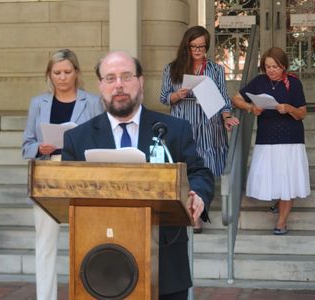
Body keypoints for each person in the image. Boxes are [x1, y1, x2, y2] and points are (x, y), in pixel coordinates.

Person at [62, 51, 214, 300]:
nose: (118, 84)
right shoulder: (78, 138)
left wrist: (198, 195)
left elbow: (199, 172)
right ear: (100, 85)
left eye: (126, 76)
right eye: (110, 78)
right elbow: (67, 192)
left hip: (165, 266)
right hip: (101, 267)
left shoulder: (173, 130)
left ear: (141, 81)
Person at [22, 49, 103, 300]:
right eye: (57, 72)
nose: (63, 77)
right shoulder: (38, 103)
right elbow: (26, 145)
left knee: (86, 239)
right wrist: (39, 147)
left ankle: (88, 293)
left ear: (77, 73)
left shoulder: (92, 102)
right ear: (49, 74)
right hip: (47, 172)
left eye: (68, 72)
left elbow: (101, 139)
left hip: (80, 173)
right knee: (45, 241)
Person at [159, 25, 239, 233]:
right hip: (183, 124)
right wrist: (177, 95)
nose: (197, 51)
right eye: (194, 46)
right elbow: (163, 97)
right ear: (186, 46)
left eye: (202, 47)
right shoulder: (172, 68)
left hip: (208, 125)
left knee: (206, 169)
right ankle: (190, 210)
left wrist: (227, 117)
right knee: (185, 169)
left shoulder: (215, 70)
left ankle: (198, 214)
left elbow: (223, 99)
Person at [232, 47, 310, 235]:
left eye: (275, 66)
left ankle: (281, 222)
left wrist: (289, 108)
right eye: (267, 66)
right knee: (275, 176)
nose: (271, 70)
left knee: (287, 180)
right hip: (266, 139)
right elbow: (235, 98)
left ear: (283, 66)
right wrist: (251, 108)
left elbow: (302, 113)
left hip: (290, 140)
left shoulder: (294, 83)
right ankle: (279, 201)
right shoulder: (259, 82)